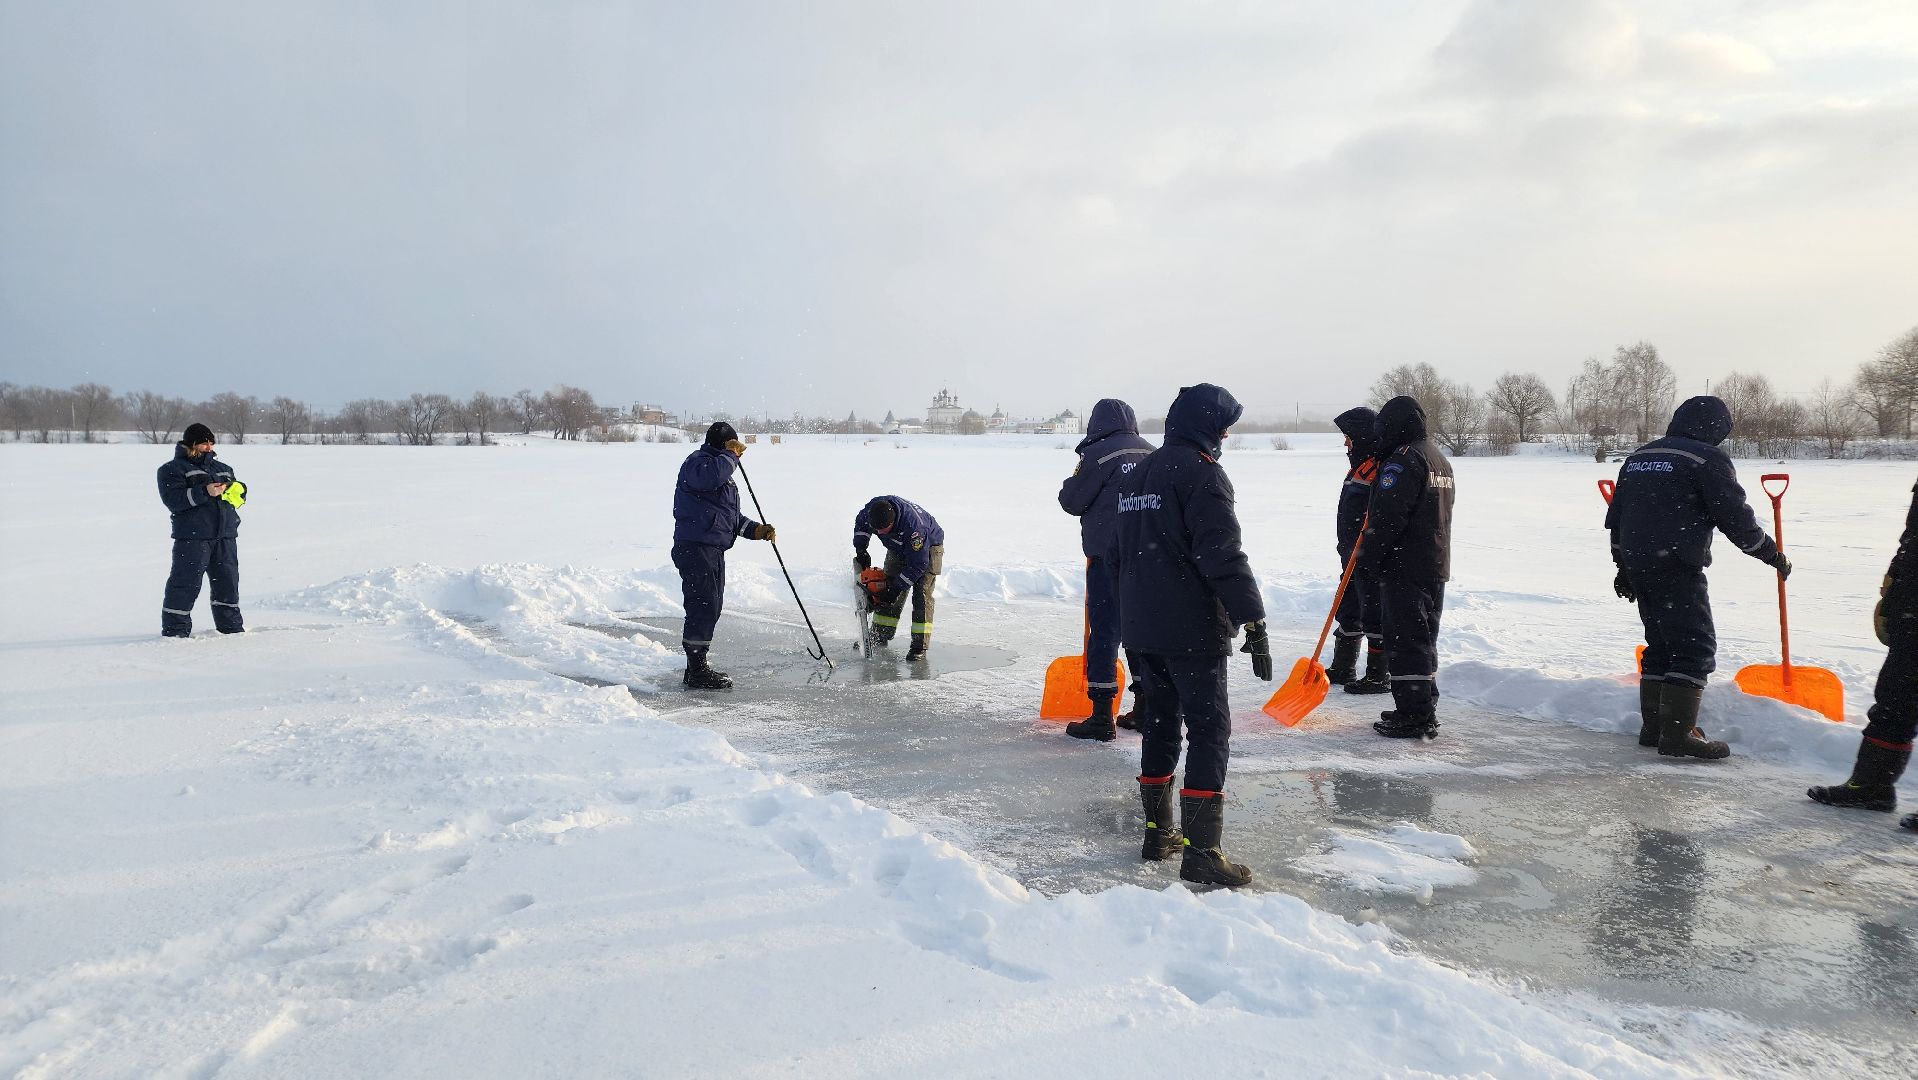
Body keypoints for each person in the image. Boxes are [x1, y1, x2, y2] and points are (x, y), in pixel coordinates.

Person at [1110, 383, 1270, 887]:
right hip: (1190, 630)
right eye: (1223, 427)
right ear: (1206, 425)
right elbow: (1220, 553)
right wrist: (1254, 619)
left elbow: (1117, 554)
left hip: (1140, 627)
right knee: (1207, 730)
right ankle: (1201, 852)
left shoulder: (1138, 475)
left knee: (1159, 724)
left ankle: (1159, 833)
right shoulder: (1202, 475)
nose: (1225, 436)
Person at [1605, 396, 1788, 759]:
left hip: (1639, 563)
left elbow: (1617, 518)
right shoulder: (1707, 459)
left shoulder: (1639, 457)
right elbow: (1736, 519)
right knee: (1693, 649)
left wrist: (1622, 567)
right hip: (1676, 566)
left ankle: (1654, 729)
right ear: (1716, 428)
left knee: (1660, 645)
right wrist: (1771, 554)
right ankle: (1677, 737)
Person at [1808, 478, 1916, 833]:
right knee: (1895, 697)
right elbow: (1912, 538)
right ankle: (1871, 786)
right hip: (1912, 604)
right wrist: (1896, 579)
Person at [1057, 398, 1155, 741]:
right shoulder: (1153, 452)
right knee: (1141, 631)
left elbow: (1071, 501)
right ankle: (1145, 708)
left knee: (1105, 632)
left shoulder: (1099, 455)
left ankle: (1101, 716)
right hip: (1151, 559)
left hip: (1108, 557)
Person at [1359, 396, 1455, 740]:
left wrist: (1367, 558)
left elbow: (1388, 518)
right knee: (1424, 637)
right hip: (1433, 562)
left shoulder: (1403, 461)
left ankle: (1415, 714)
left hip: (1405, 566)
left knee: (1407, 640)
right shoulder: (1438, 458)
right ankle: (1419, 706)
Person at [671, 422, 776, 689]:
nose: (736, 450)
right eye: (732, 445)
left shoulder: (720, 472)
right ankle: (697, 671)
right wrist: (731, 456)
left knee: (710, 606)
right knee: (702, 606)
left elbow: (730, 518)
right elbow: (711, 477)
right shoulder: (699, 464)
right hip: (696, 547)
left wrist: (757, 531)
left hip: (711, 549)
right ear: (724, 444)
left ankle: (695, 667)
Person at [157, 422, 248, 637]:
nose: (209, 446)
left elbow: (237, 496)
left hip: (225, 535)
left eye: (211, 442)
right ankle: (175, 631)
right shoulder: (171, 469)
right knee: (185, 583)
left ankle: (231, 628)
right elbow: (174, 501)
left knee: (228, 583)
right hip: (193, 538)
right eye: (204, 443)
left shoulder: (223, 468)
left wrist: (239, 491)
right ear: (191, 444)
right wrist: (205, 491)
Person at [1331, 406, 1388, 694]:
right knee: (1348, 606)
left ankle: (1379, 674)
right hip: (1350, 553)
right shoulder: (1360, 466)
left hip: (1368, 556)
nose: (1345, 442)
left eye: (1348, 436)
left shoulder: (1378, 469)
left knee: (1373, 610)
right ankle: (1343, 666)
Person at [853, 495, 944, 661]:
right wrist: (861, 549)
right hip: (898, 547)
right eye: (876, 530)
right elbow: (861, 524)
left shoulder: (914, 528)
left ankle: (919, 646)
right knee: (885, 589)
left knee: (921, 597)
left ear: (893, 521)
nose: (879, 533)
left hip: (928, 550)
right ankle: (880, 634)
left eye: (883, 529)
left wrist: (896, 588)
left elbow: (918, 565)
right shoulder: (871, 510)